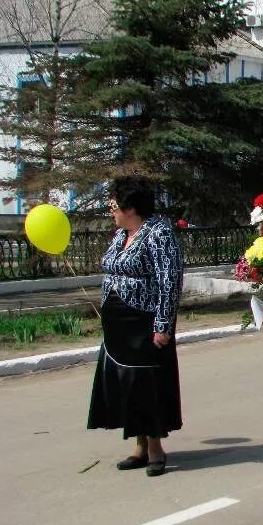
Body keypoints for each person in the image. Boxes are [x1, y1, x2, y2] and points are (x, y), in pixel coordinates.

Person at [88, 176, 183, 477]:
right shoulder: (122, 234)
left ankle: (156, 449)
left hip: (144, 323)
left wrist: (163, 325)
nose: (110, 210)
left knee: (146, 387)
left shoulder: (159, 233)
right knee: (126, 386)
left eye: (114, 205)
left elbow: (170, 282)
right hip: (118, 326)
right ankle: (139, 446)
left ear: (131, 208)